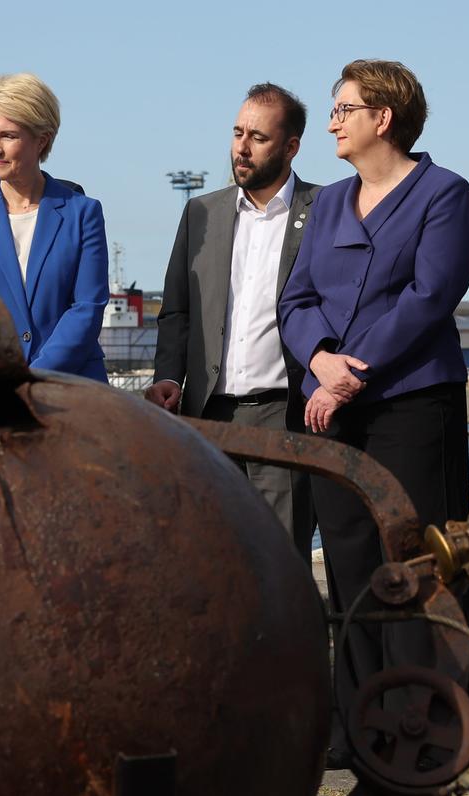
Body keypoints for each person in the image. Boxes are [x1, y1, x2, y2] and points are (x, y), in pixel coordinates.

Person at [276, 59, 469, 763]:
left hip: (409, 406)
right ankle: (355, 722)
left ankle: (426, 726)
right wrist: (320, 362)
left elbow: (430, 297)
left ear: (382, 118)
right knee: (353, 566)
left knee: (416, 568)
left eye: (343, 108)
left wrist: (347, 375)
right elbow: (295, 299)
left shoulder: (444, 193)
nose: (332, 121)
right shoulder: (328, 202)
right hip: (334, 410)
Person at [147, 83, 320, 560]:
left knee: (283, 560)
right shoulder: (201, 213)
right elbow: (177, 310)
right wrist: (167, 375)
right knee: (210, 559)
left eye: (258, 137)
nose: (241, 148)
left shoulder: (325, 210)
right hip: (207, 416)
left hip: (282, 416)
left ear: (291, 147)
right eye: (238, 132)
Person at [0, 73, 108, 381]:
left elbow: (87, 307)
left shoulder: (83, 213)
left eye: (8, 136)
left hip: (74, 387)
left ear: (41, 139)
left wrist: (36, 376)